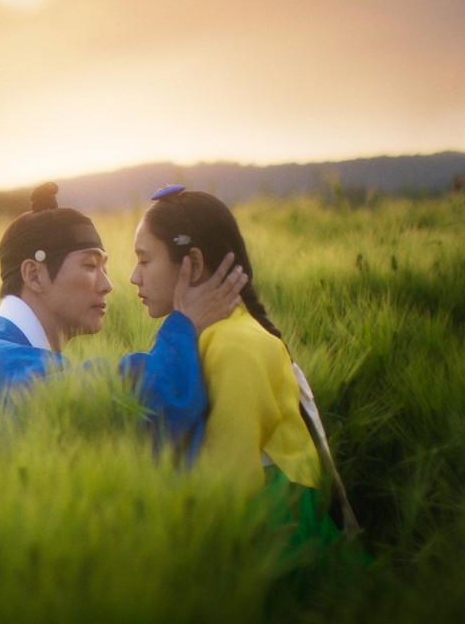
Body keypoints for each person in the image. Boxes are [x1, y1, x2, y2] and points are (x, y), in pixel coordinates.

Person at [0, 182, 248, 452]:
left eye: (105, 267)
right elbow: (142, 405)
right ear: (34, 275)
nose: (109, 285)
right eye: (89, 266)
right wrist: (185, 323)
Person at [128, 184, 358, 544]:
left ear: (194, 263)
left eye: (144, 260)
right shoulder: (211, 336)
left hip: (282, 542)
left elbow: (230, 488)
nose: (133, 277)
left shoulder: (234, 344)